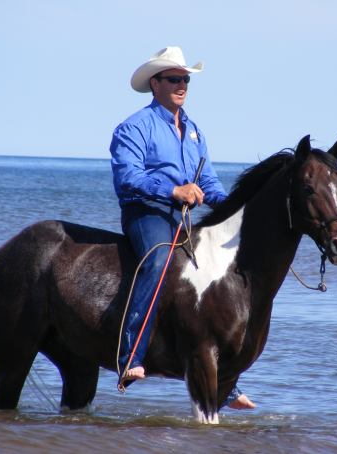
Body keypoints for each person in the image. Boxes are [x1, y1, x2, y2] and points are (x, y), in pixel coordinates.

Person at [109, 46, 255, 410]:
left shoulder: (194, 132)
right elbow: (128, 177)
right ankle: (131, 355)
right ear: (155, 83)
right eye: (174, 79)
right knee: (158, 263)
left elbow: (209, 183)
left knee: (222, 281)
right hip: (147, 213)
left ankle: (226, 379)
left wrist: (239, 204)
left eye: (186, 79)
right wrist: (173, 190)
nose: (182, 85)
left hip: (185, 218)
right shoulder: (134, 127)